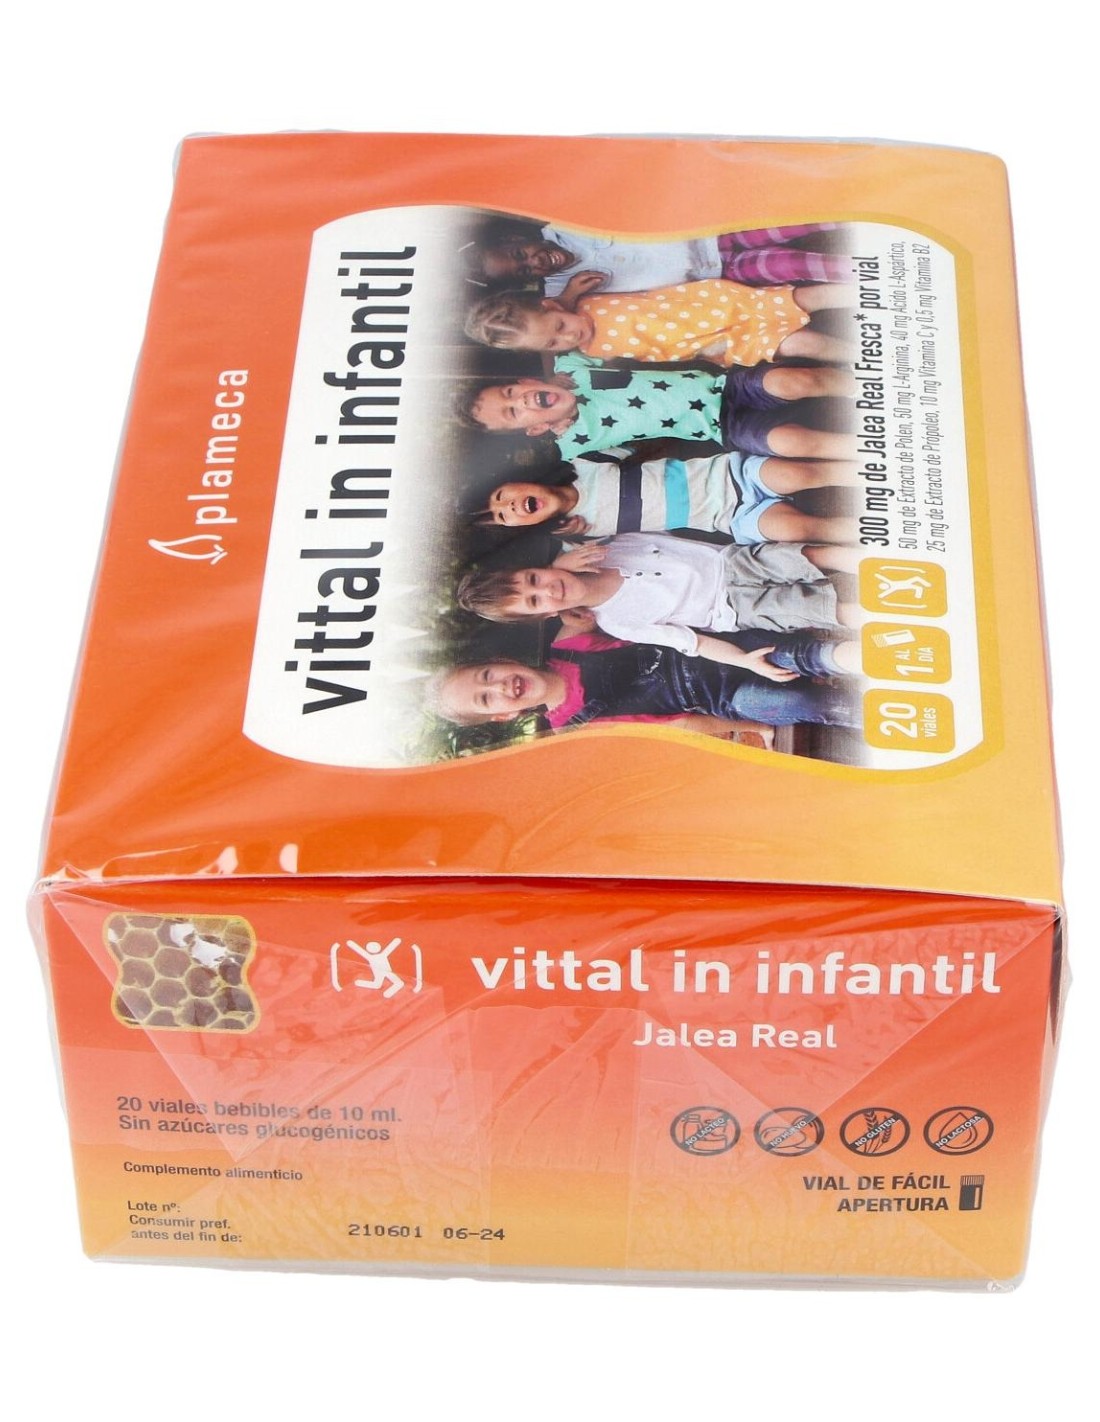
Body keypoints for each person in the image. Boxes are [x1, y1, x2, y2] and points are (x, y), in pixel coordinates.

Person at [455, 535, 863, 667]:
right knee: (811, 609)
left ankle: (871, 561)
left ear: (540, 566)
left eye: (534, 579)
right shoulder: (617, 623)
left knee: (800, 556)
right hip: (731, 611)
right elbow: (693, 642)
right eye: (534, 601)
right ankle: (869, 612)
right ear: (545, 614)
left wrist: (564, 559)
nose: (546, 591)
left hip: (729, 563)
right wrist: (743, 661)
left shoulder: (605, 546)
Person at [431, 630, 859, 735]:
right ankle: (863, 711)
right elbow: (680, 725)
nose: (500, 687)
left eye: (487, 676)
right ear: (503, 716)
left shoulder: (570, 643)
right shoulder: (575, 728)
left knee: (791, 656)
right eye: (486, 699)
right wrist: (754, 727)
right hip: (726, 695)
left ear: (502, 661)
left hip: (721, 649)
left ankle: (859, 658)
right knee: (801, 706)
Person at [454, 359, 855, 463]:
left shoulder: (572, 368)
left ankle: (864, 384)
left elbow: (561, 322)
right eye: (513, 413)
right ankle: (864, 452)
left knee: (792, 381)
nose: (521, 401)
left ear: (527, 380)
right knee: (789, 443)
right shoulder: (572, 447)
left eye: (512, 392)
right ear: (534, 430)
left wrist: (570, 293)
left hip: (725, 385)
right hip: (721, 428)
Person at [473, 448, 861, 545]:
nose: (509, 506)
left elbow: (647, 442)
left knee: (797, 474)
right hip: (729, 517)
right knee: (795, 530)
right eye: (505, 515)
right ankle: (870, 535)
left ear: (520, 479)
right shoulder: (581, 536)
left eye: (503, 495)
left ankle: (866, 466)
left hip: (728, 473)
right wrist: (575, 539)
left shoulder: (585, 463)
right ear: (525, 526)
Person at [464, 282, 855, 366]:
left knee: (804, 297)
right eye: (553, 344)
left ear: (554, 306)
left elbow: (566, 305)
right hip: (720, 345)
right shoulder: (591, 353)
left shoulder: (583, 302)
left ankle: (865, 288)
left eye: (560, 325)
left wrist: (569, 298)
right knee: (801, 344)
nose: (568, 336)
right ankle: (862, 359)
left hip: (721, 304)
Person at [462, 222, 853, 293]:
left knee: (790, 226)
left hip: (712, 229)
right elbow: (555, 317)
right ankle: (865, 275)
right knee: (791, 265)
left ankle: (857, 212)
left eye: (521, 253)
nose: (534, 263)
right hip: (717, 271)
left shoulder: (564, 223)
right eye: (523, 271)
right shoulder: (562, 288)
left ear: (517, 237)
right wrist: (570, 296)